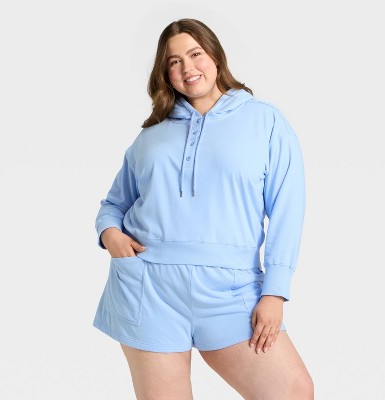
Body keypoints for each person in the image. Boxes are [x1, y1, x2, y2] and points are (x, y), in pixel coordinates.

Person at [92, 18, 314, 400]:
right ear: (165, 73)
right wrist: (110, 235)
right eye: (174, 61)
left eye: (195, 54)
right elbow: (113, 203)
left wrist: (275, 292)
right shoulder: (152, 134)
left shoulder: (264, 121)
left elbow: (287, 209)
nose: (187, 68)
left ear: (215, 55)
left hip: (233, 290)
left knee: (293, 391)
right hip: (149, 287)